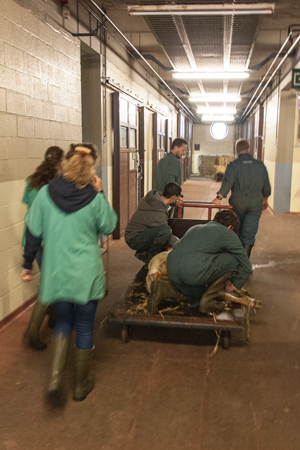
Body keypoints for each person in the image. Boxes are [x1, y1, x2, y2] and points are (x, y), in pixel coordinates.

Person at [21, 143, 117, 406]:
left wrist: (27, 263)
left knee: (63, 322)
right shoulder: (95, 198)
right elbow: (109, 225)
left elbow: (33, 233)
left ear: (66, 166)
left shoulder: (44, 195)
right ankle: (79, 385)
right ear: (90, 171)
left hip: (57, 272)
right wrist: (101, 192)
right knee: (85, 325)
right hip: (86, 274)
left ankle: (54, 382)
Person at [148, 209, 252, 315]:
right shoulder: (227, 234)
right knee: (234, 259)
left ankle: (164, 289)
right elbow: (246, 265)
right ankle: (207, 300)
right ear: (230, 227)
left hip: (173, 271)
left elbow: (179, 247)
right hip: (192, 273)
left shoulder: (195, 227)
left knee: (196, 295)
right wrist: (235, 283)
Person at [22, 146, 64, 351]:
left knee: (51, 280)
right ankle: (32, 333)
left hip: (32, 238)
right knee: (50, 284)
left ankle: (53, 318)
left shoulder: (32, 181)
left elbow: (29, 210)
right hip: (49, 239)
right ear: (61, 162)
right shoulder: (56, 185)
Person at [212, 138, 271, 258]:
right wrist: (265, 199)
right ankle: (244, 261)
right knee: (249, 232)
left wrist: (219, 197)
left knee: (236, 229)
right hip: (255, 203)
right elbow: (266, 187)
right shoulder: (260, 165)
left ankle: (235, 259)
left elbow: (228, 182)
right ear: (248, 149)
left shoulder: (233, 165)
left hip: (237, 203)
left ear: (236, 150)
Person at [125, 183, 182, 265]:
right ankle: (151, 260)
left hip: (135, 233)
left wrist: (173, 203)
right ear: (173, 197)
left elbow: (165, 203)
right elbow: (168, 235)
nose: (179, 199)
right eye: (178, 197)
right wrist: (180, 245)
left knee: (161, 232)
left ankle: (143, 253)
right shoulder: (157, 214)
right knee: (164, 231)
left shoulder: (155, 199)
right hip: (133, 239)